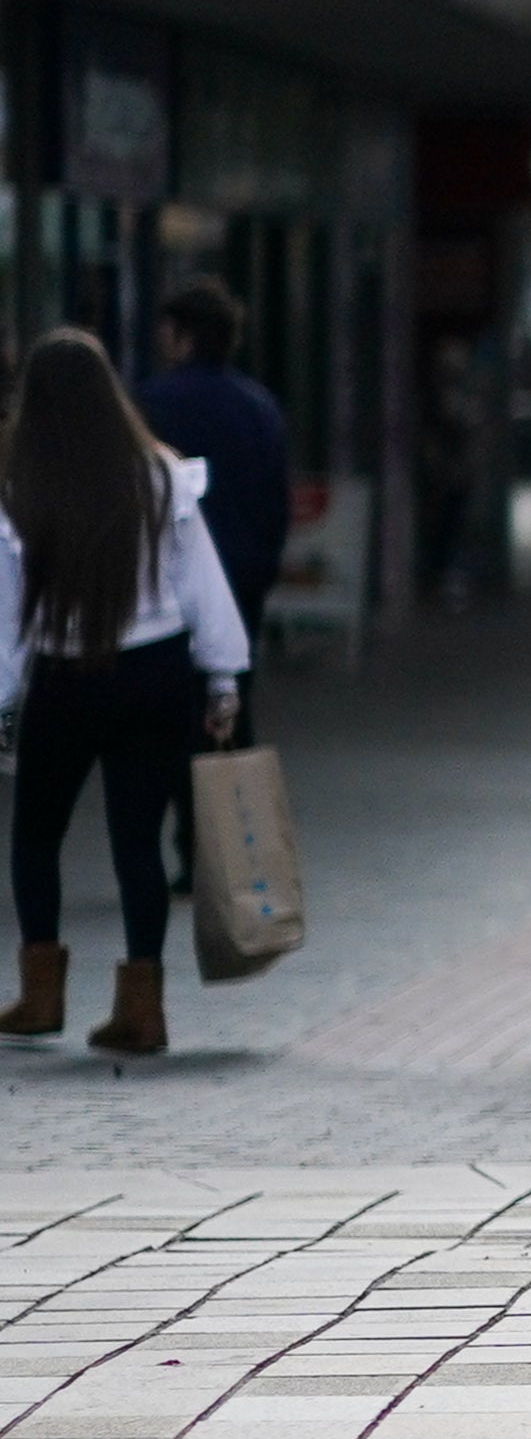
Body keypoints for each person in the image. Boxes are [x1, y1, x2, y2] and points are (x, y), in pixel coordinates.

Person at [0, 331, 250, 1055]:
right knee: (137, 842)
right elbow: (201, 580)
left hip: (65, 678)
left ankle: (40, 993)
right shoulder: (163, 475)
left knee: (36, 834)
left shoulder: (21, 486)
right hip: (158, 674)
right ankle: (143, 1008)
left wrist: (5, 701)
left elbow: (10, 616)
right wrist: (224, 675)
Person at [136, 280, 289, 891]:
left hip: (171, 588)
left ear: (184, 335)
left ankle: (190, 847)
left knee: (175, 717)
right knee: (231, 709)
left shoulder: (151, 402)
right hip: (243, 578)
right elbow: (277, 501)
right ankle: (237, 845)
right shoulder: (257, 405)